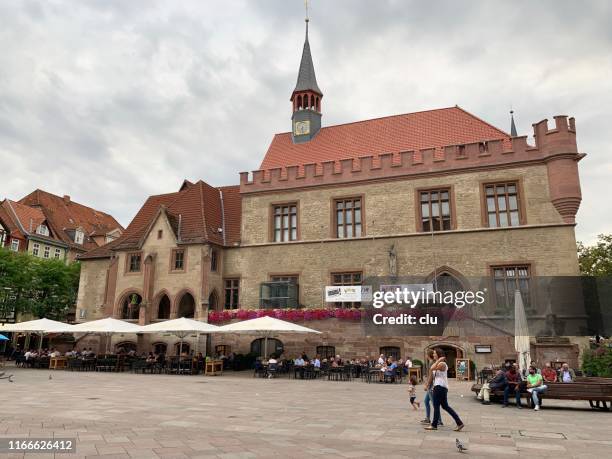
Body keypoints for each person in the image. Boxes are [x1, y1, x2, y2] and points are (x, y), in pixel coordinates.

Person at [424, 348, 464, 431]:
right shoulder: (438, 363)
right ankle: (459, 423)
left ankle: (434, 425)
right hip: (439, 387)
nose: (433, 355)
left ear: (438, 354)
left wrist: (438, 361)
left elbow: (432, 368)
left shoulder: (442, 364)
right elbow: (432, 374)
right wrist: (427, 384)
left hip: (440, 387)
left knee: (436, 406)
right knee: (445, 406)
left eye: (435, 353)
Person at [420, 350, 443, 426]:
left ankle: (439, 420)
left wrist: (427, 385)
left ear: (428, 355)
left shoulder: (431, 363)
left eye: (434, 353)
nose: (433, 354)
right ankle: (427, 418)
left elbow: (431, 375)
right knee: (426, 401)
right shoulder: (431, 362)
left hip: (432, 386)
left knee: (434, 403)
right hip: (431, 385)